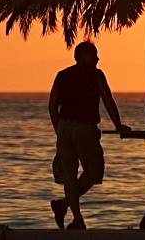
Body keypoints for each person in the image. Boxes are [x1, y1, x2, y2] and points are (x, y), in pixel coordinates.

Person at [49, 41, 131, 230]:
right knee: (94, 171)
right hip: (84, 128)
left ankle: (73, 215)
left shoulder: (62, 75)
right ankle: (65, 207)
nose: (97, 58)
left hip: (64, 128)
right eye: (93, 55)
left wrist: (59, 130)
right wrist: (118, 125)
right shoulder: (95, 75)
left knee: (70, 174)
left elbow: (53, 106)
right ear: (81, 56)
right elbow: (108, 99)